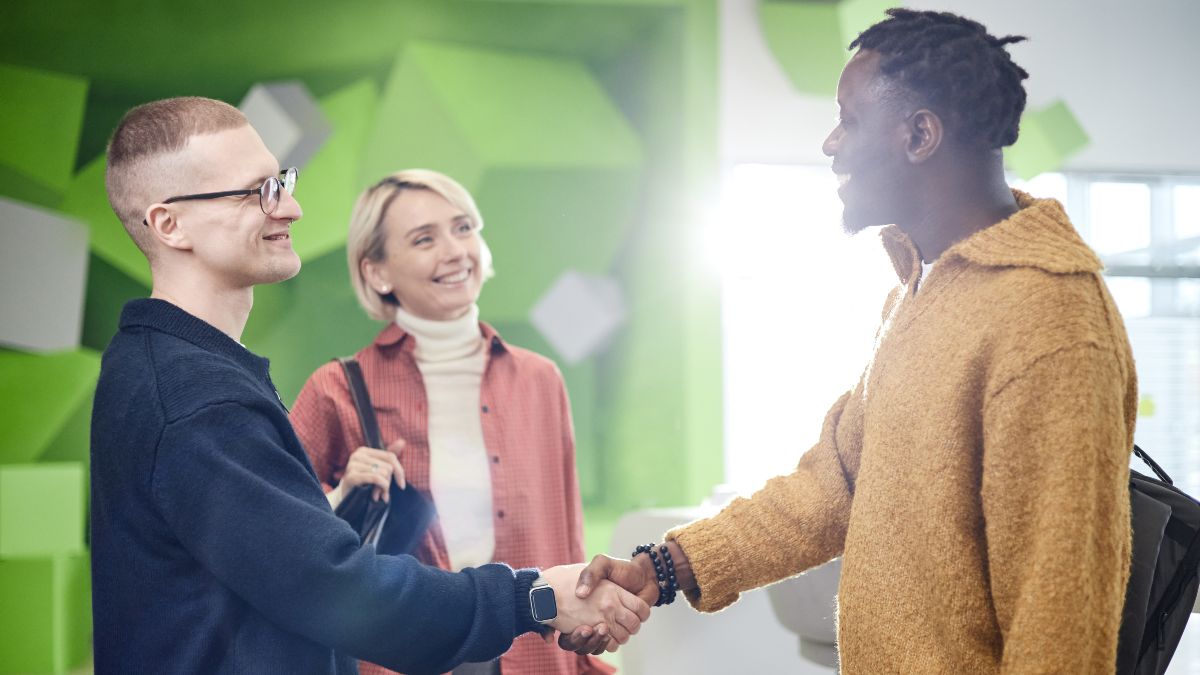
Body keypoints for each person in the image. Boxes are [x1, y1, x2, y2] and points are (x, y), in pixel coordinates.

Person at [564, 9, 1137, 673]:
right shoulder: (921, 293)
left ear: (919, 134)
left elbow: (1058, 611)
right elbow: (832, 484)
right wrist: (662, 566)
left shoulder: (1047, 320)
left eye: (850, 118)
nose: (832, 143)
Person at [89, 96, 648, 675]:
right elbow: (329, 583)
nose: (293, 208)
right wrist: (533, 597)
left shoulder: (166, 368)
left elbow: (283, 556)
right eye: (256, 192)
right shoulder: (198, 400)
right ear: (169, 224)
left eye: (282, 182)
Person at [289, 168, 609, 675]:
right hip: (403, 655)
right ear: (377, 273)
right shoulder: (337, 388)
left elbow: (566, 538)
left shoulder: (540, 379)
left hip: (532, 651)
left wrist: (584, 638)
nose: (456, 250)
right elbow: (280, 534)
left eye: (464, 228)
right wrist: (341, 490)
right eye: (424, 239)